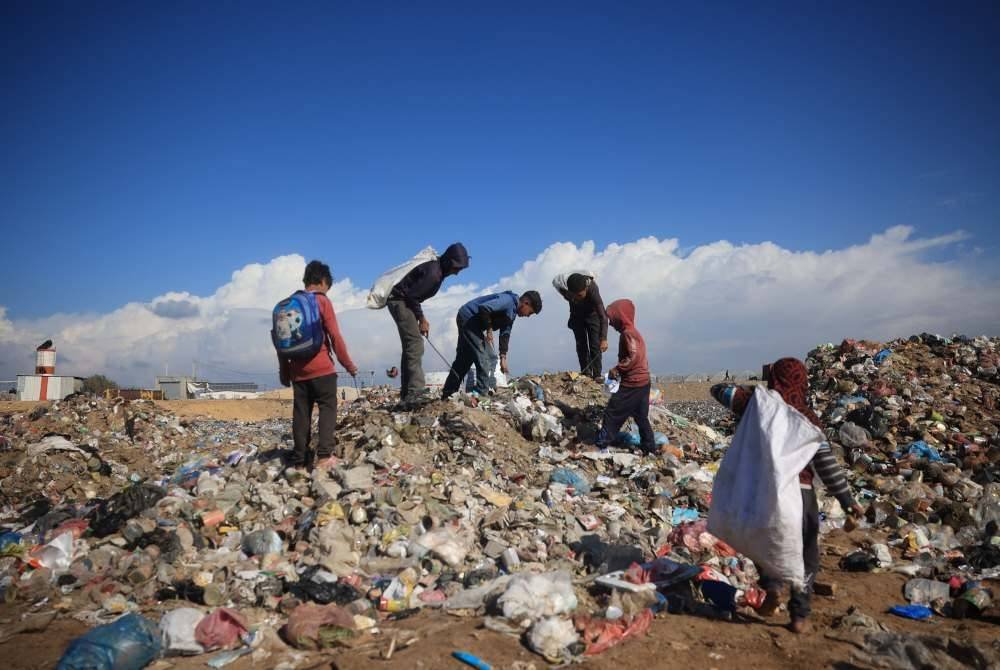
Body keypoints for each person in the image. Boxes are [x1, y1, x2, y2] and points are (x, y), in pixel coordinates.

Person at [711, 358, 865, 634]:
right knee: (806, 557)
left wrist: (756, 391)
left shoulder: (758, 407)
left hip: (764, 496)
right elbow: (826, 465)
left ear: (775, 380)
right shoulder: (808, 420)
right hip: (802, 498)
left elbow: (719, 389)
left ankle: (772, 587)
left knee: (759, 540)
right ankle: (800, 616)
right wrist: (847, 500)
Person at [278, 260, 359, 473]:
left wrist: (284, 372)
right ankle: (324, 457)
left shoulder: (288, 306)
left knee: (301, 414)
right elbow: (335, 336)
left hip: (297, 372)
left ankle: (299, 462)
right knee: (327, 408)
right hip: (322, 369)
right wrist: (349, 365)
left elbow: (280, 344)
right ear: (323, 282)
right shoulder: (322, 302)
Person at [387, 243, 469, 405]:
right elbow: (412, 296)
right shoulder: (434, 274)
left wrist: (419, 318)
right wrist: (422, 319)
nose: (457, 272)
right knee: (416, 344)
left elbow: (413, 296)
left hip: (402, 301)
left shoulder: (437, 270)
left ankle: (406, 393)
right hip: (399, 300)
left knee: (411, 345)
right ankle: (415, 391)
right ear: (449, 262)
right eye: (457, 268)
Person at [441, 290, 542, 399]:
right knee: (484, 358)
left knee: (464, 359)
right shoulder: (508, 301)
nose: (528, 316)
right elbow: (484, 308)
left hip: (471, 322)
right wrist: (489, 329)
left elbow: (505, 334)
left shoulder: (512, 314)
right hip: (469, 319)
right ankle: (480, 396)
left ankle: (448, 394)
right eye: (530, 313)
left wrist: (503, 357)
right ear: (526, 303)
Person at [595, 299, 655, 453]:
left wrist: (617, 369)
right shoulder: (635, 333)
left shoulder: (627, 334)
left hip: (633, 384)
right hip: (643, 382)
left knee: (612, 412)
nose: (611, 323)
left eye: (612, 318)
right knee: (641, 417)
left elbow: (632, 356)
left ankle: (601, 444)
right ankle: (649, 448)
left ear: (620, 316)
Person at [554, 272, 608, 379]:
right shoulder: (565, 290)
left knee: (595, 344)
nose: (577, 298)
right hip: (576, 315)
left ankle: (597, 375)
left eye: (579, 295)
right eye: (574, 295)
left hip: (592, 315)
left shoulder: (593, 290)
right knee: (581, 344)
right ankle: (586, 373)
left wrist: (604, 338)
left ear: (585, 289)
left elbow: (603, 316)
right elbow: (560, 288)